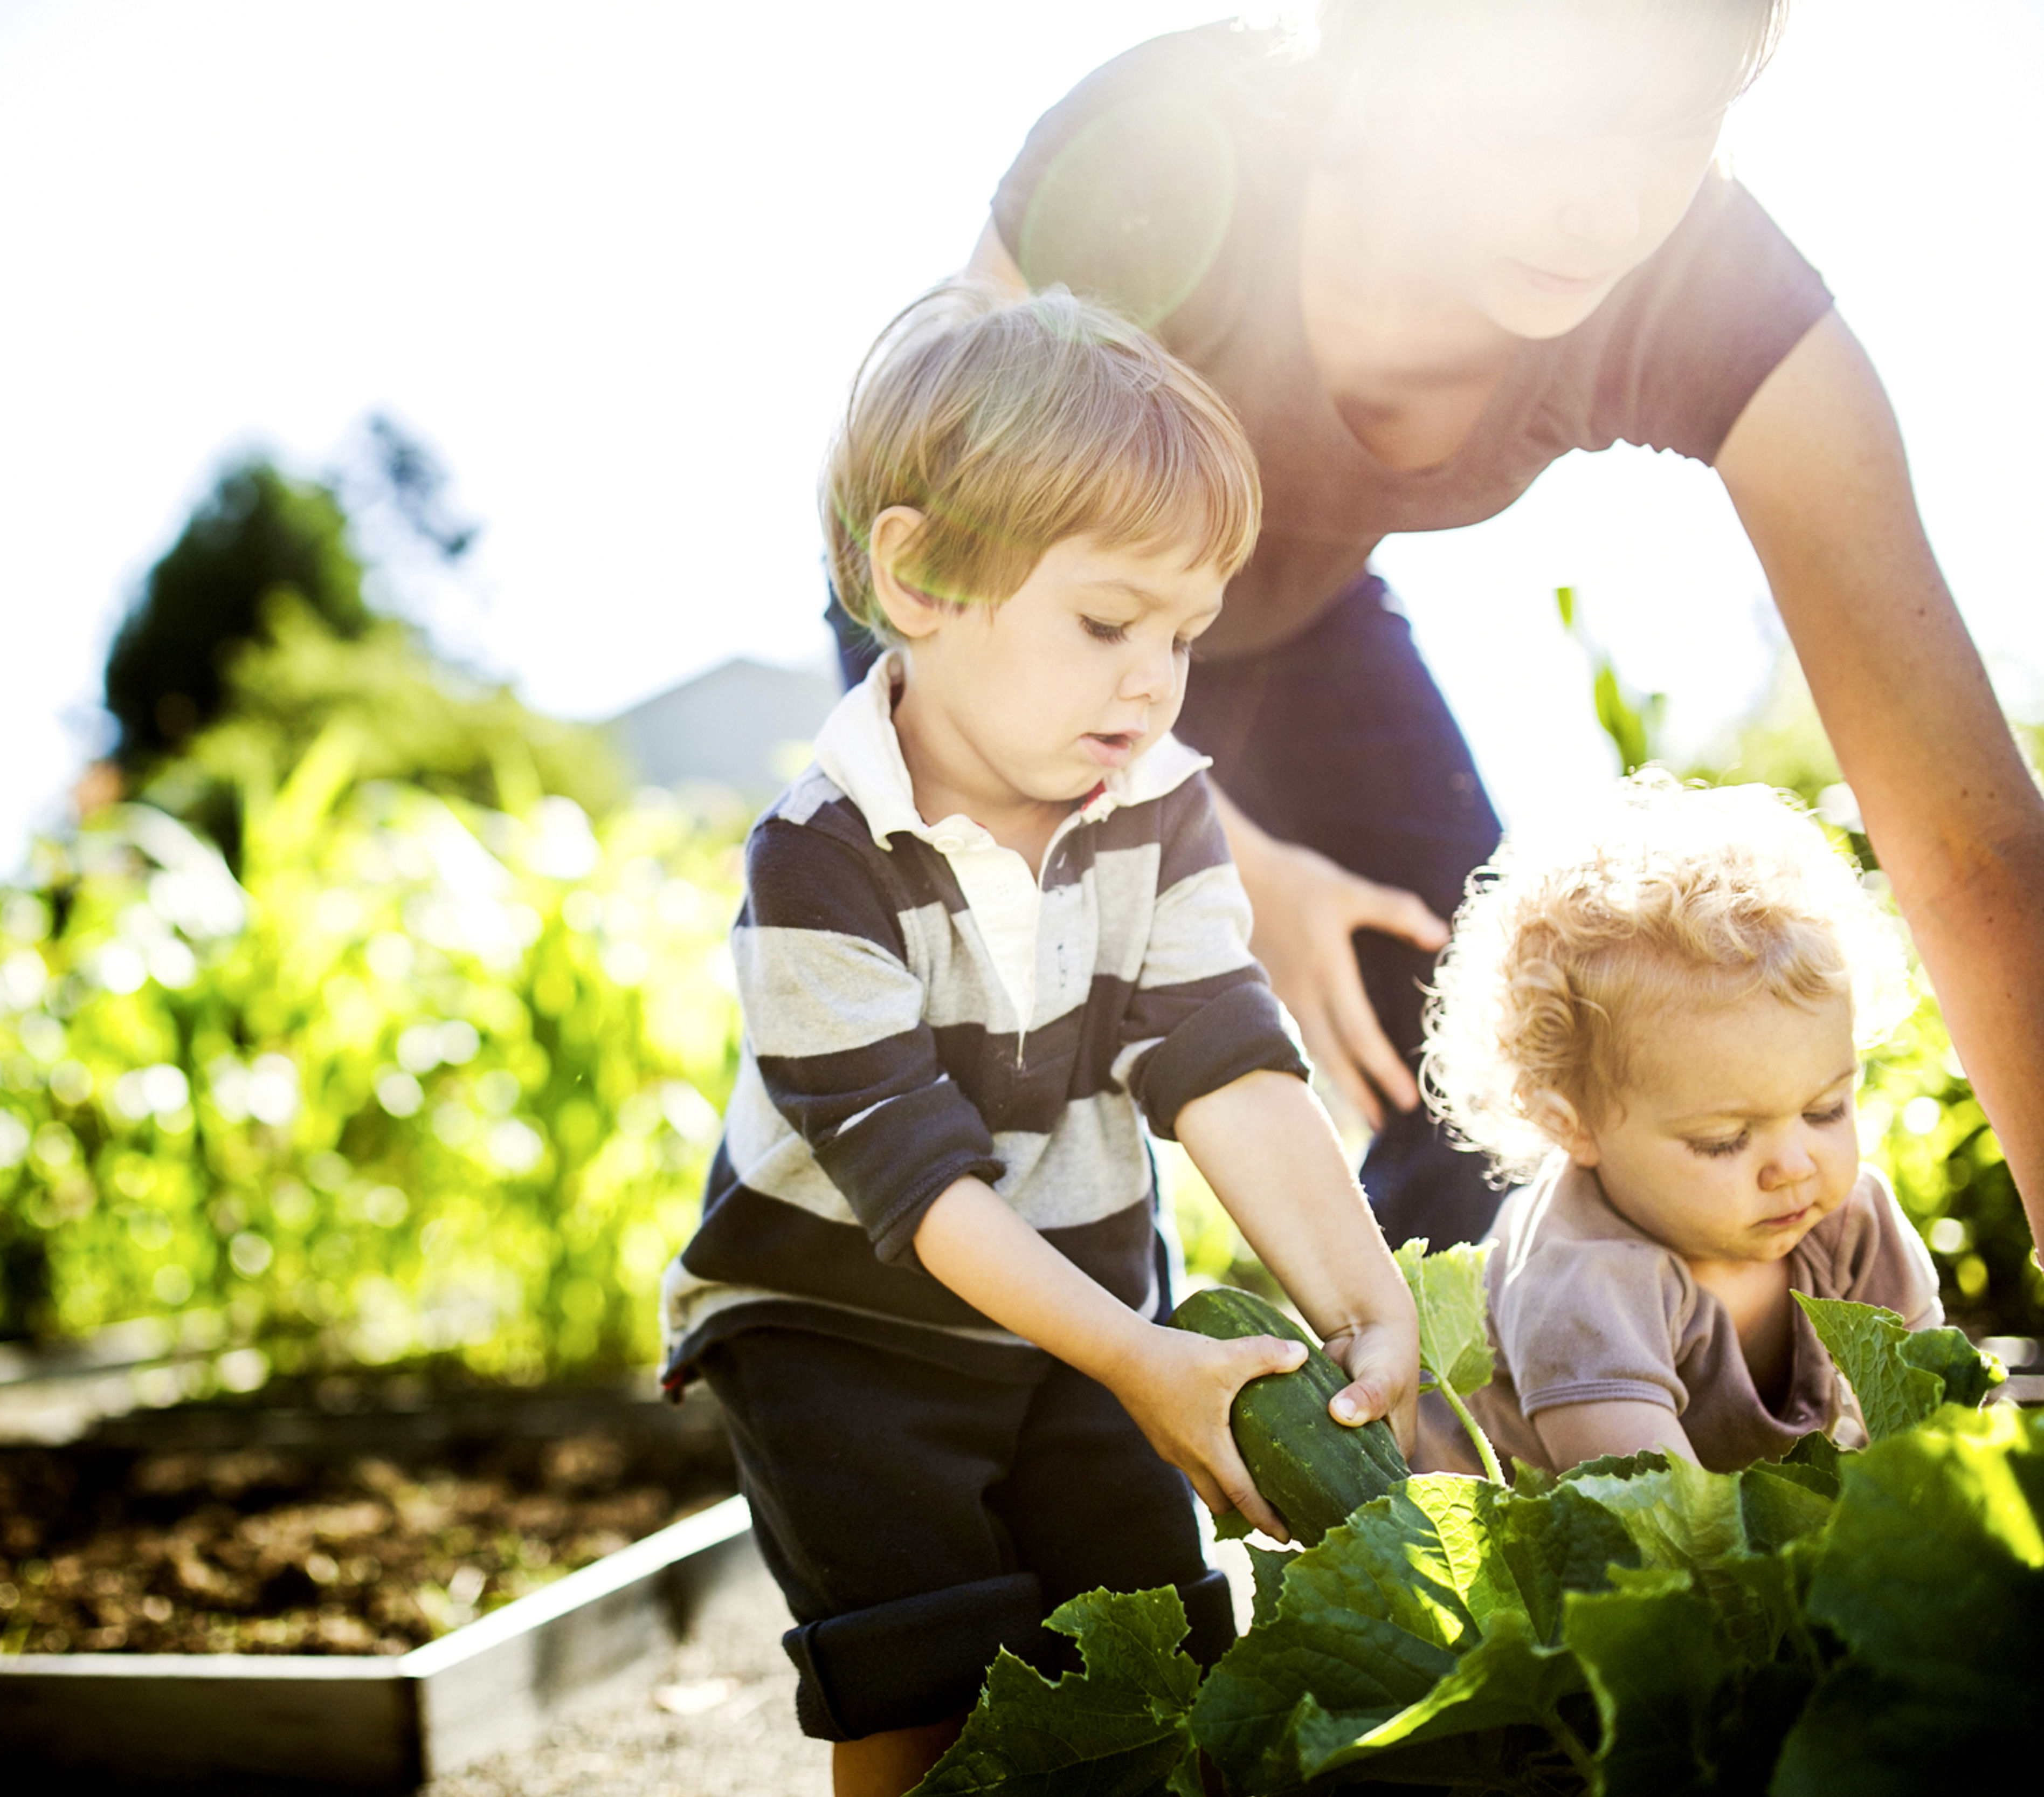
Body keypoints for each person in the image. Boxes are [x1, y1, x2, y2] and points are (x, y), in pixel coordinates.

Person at [832, 0, 2044, 1257]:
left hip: (1297, 629)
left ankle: (1443, 1419)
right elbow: (942, 552)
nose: (1608, 213)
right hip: (975, 621)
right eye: (1538, 124)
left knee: (1487, 1060)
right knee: (1005, 1051)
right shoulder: (1168, 151)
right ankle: (806, 1347)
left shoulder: (1714, 288)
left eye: (1675, 127)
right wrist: (1220, 857)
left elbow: (1970, 849)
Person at [664, 281, 1421, 1797]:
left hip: (1082, 1295)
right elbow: (915, 1179)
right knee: (918, 1674)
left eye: (1185, 634)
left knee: (1144, 1644)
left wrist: (1363, 1295)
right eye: (1106, 621)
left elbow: (1222, 1054)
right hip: (841, 1327)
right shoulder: (815, 859)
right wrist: (1140, 1358)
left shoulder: (1158, 809)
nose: (1153, 679)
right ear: (924, 573)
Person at [1418, 773, 1939, 1474]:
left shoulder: (1850, 1225)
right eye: (1724, 1139)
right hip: (1554, 1546)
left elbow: (1945, 1425)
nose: (1794, 1162)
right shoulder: (1578, 1277)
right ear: (1574, 1127)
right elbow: (1656, 1526)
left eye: (1825, 1109)